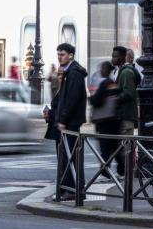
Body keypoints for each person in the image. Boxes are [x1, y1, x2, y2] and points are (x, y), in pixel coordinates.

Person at [44, 43, 88, 201]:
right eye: (58, 54)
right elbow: (63, 98)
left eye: (62, 54)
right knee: (65, 156)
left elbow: (71, 99)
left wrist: (62, 119)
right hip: (65, 120)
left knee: (70, 156)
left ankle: (73, 189)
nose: (59, 57)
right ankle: (66, 188)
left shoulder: (74, 73)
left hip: (69, 122)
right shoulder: (67, 72)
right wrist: (52, 113)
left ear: (70, 55)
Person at [111, 46, 138, 176]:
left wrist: (113, 98)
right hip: (123, 115)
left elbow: (129, 93)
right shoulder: (121, 71)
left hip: (126, 116)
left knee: (126, 147)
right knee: (123, 146)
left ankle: (128, 175)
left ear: (122, 58)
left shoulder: (126, 72)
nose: (112, 58)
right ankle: (126, 173)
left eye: (114, 56)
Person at [89, 61, 120, 174]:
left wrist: (90, 98)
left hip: (104, 120)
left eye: (102, 69)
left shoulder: (105, 84)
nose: (101, 71)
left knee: (105, 147)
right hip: (112, 119)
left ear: (107, 70)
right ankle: (120, 169)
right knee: (113, 146)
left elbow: (97, 101)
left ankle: (105, 171)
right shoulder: (112, 83)